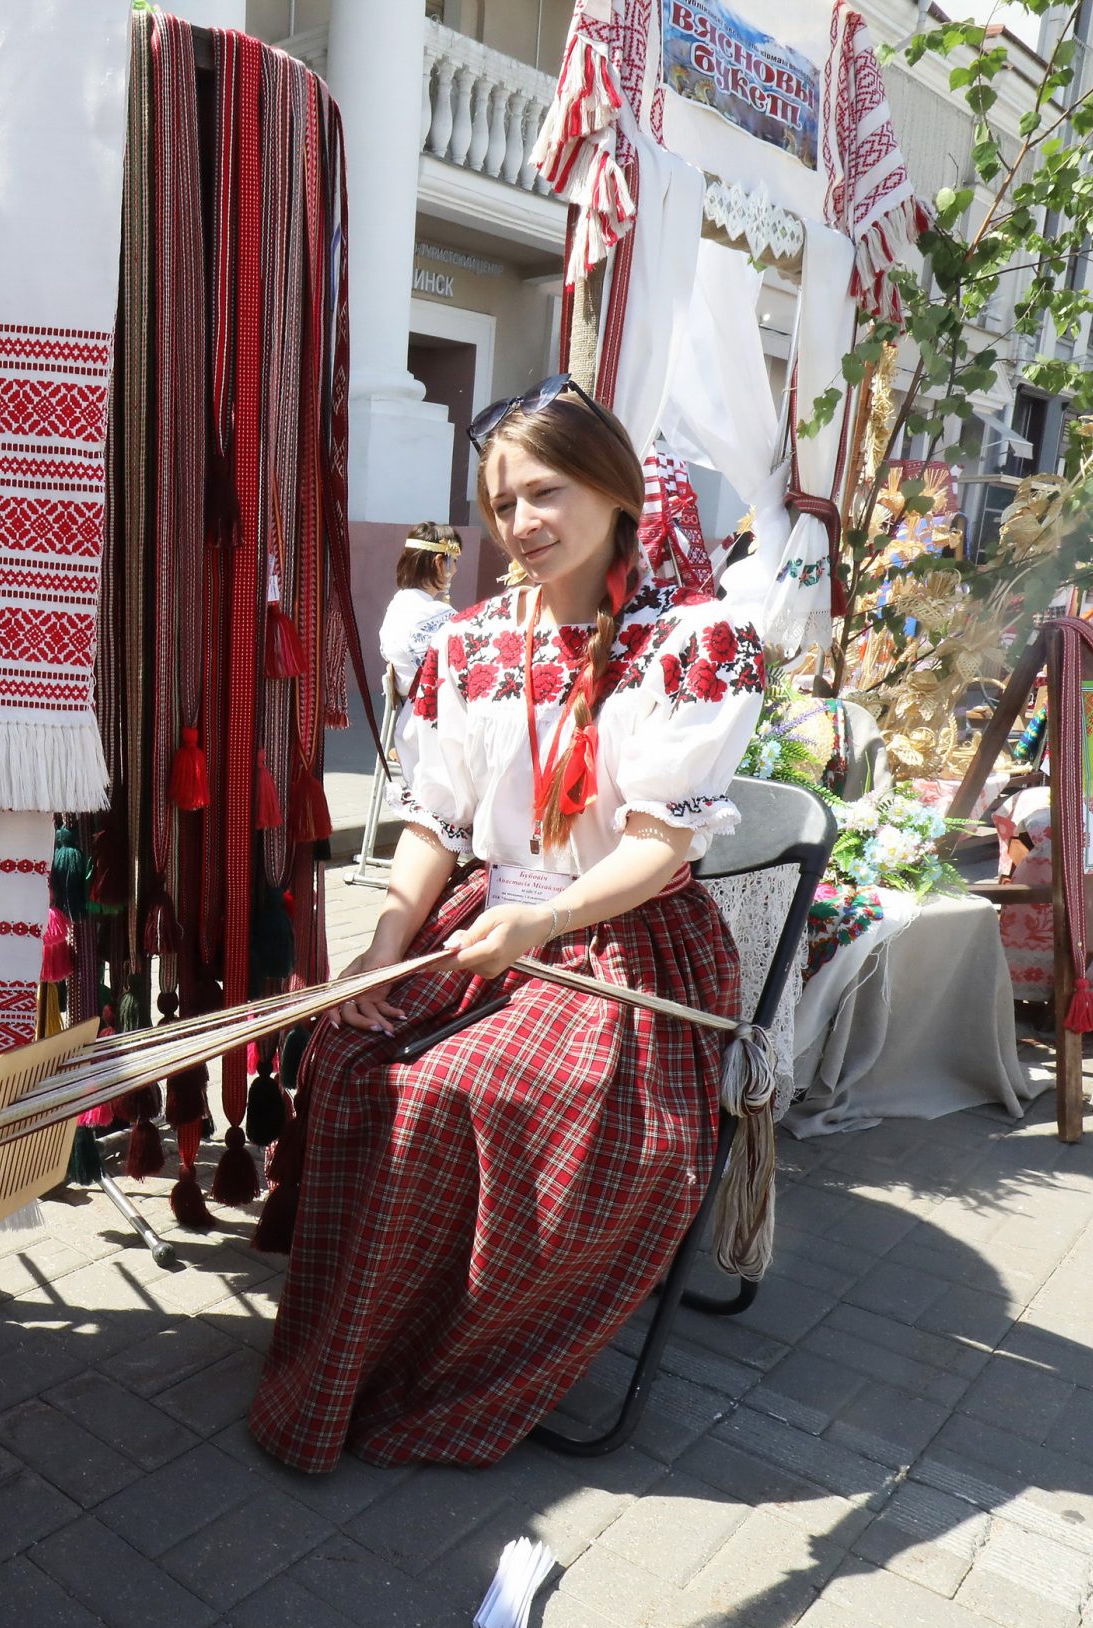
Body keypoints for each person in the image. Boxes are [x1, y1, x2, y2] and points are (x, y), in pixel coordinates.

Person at [249, 375, 767, 1470]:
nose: (520, 525)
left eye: (545, 492)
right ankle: (360, 1341)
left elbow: (659, 843)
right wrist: (382, 953)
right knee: (355, 1053)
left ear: (614, 489)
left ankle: (442, 1359)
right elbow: (436, 821)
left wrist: (545, 925)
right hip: (492, 918)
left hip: (623, 943)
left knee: (454, 1093)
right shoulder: (473, 641)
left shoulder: (694, 640)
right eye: (499, 505)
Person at [376, 524, 460, 692]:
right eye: (454, 561)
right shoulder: (433, 613)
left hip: (410, 712)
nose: (456, 569)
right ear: (439, 563)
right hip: (437, 714)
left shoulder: (397, 605)